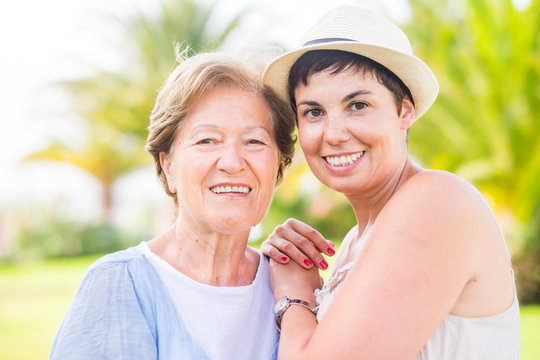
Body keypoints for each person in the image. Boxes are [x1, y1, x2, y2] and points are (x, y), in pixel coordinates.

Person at [261, 5, 520, 359]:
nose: (334, 134)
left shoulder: (437, 202)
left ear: (404, 111)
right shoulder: (354, 241)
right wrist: (290, 260)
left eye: (358, 105)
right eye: (314, 112)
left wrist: (294, 295)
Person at [49, 51, 309, 359]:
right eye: (207, 141)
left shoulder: (294, 290)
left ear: (278, 164)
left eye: (254, 141)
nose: (232, 162)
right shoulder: (117, 285)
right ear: (169, 166)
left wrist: (298, 301)